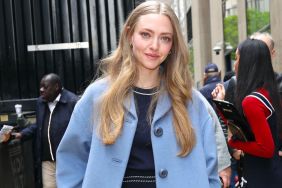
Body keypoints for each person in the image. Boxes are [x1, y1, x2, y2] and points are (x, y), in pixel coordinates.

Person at [56, 1, 220, 188]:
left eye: (165, 38)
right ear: (129, 35)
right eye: (145, 35)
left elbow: (210, 170)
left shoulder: (191, 101)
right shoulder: (98, 96)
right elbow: (71, 162)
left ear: (173, 45)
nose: (154, 46)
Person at [214, 38, 282, 187]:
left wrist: (235, 143)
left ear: (247, 62)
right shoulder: (269, 92)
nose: (235, 63)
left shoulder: (251, 101)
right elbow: (245, 129)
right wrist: (222, 103)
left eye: (237, 57)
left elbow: (266, 148)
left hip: (261, 177)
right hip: (270, 172)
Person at [13, 73, 78, 188]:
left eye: (45, 87)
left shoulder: (72, 102)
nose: (41, 90)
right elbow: (39, 126)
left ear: (57, 87)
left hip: (67, 159)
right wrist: (22, 134)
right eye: (40, 87)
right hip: (47, 160)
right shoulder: (40, 102)